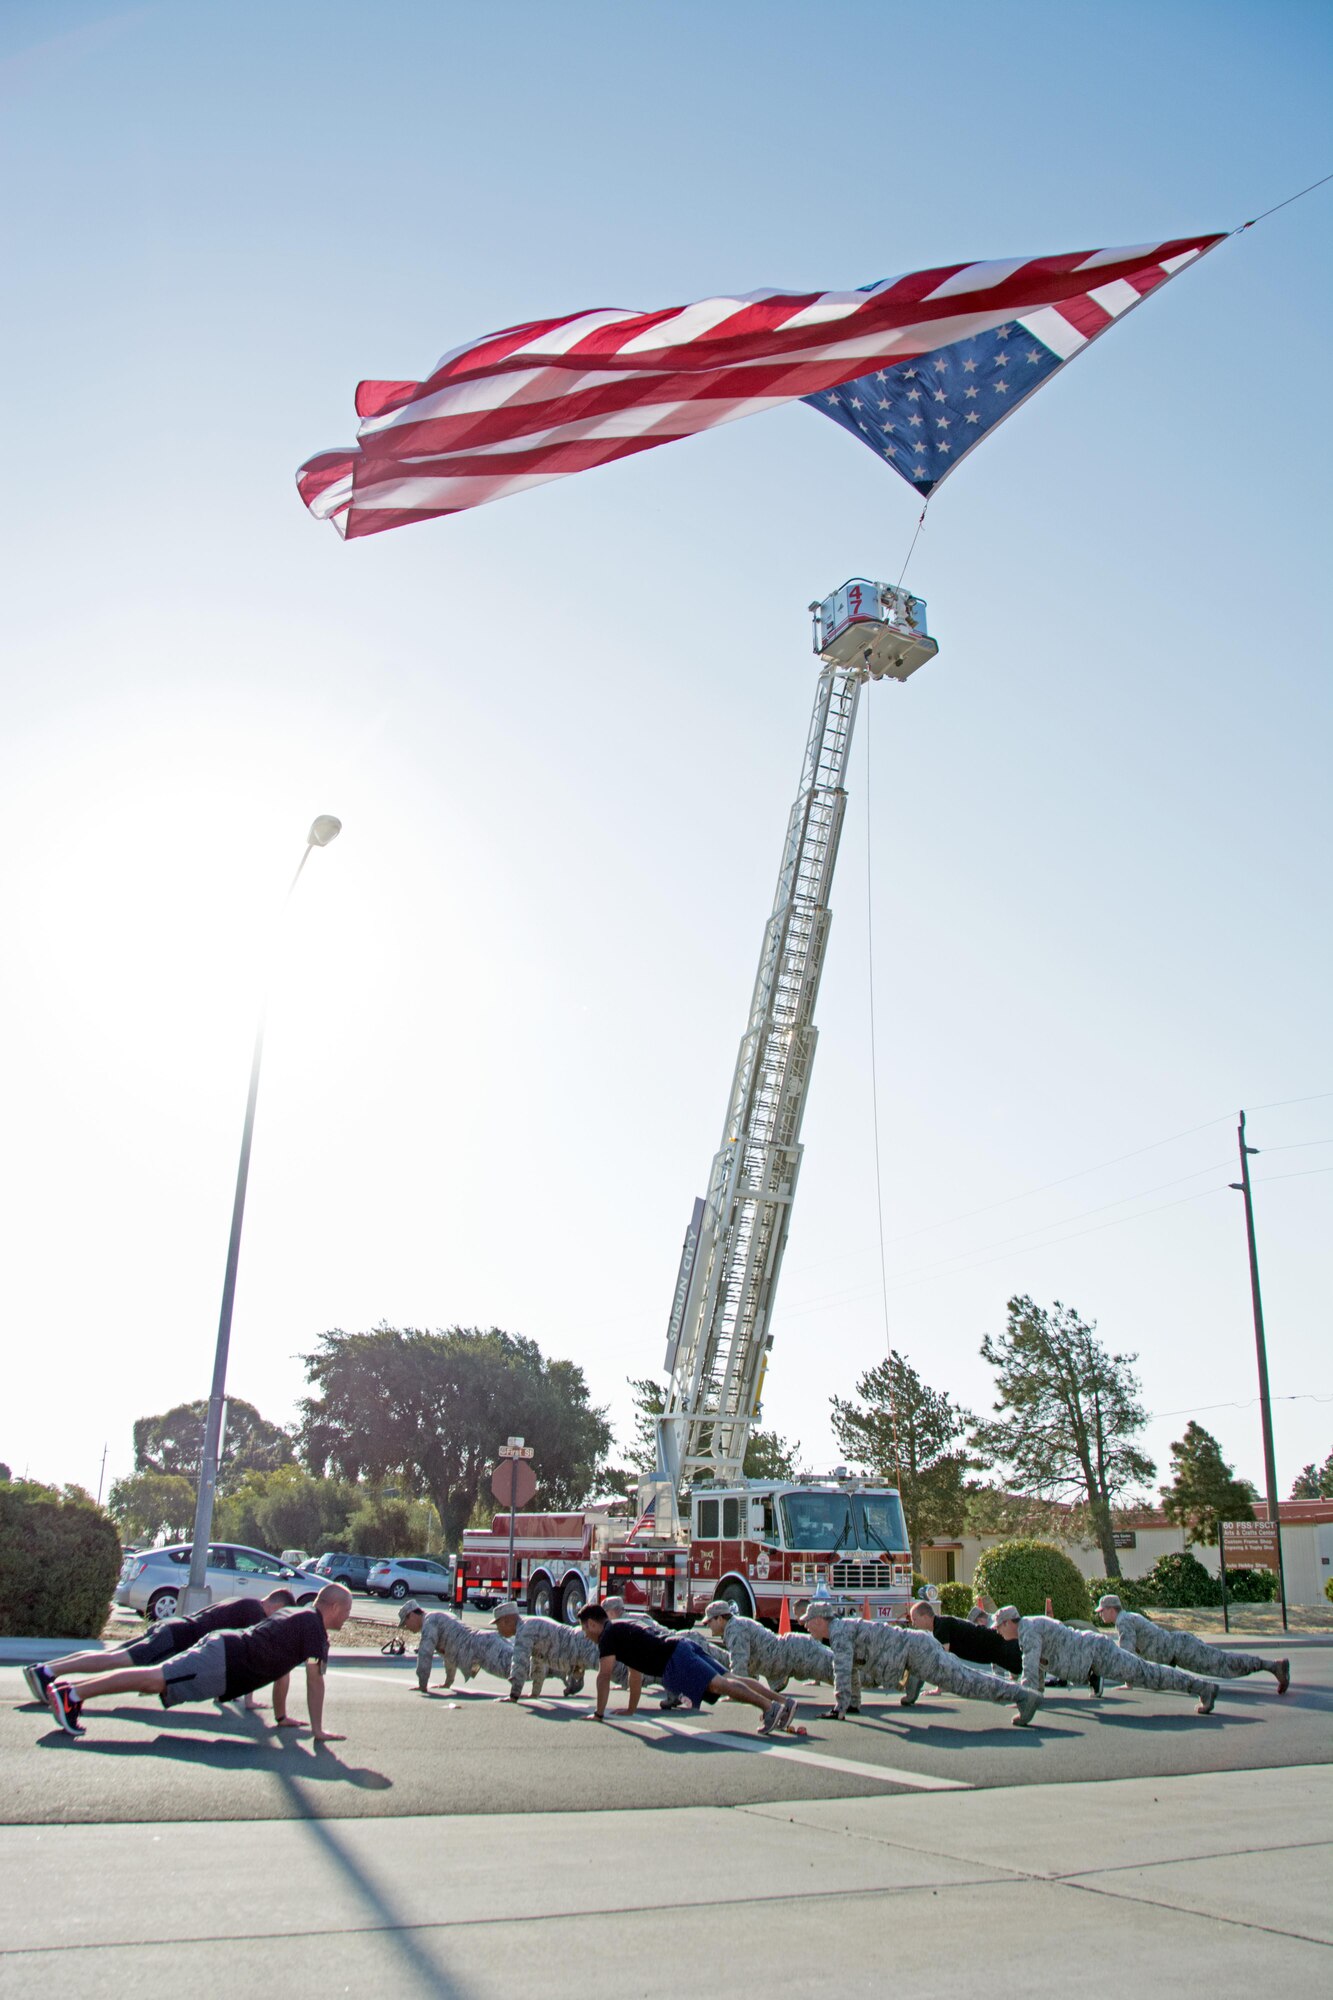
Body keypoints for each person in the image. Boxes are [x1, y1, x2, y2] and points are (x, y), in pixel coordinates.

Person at [45, 1583, 354, 1739]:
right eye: (348, 1611)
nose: (348, 1617)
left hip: (223, 1653)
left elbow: (281, 1670)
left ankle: (70, 1692)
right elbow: (316, 1681)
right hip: (223, 1661)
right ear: (337, 1608)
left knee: (154, 1679)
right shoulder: (314, 1629)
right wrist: (318, 1730)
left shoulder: (296, 1616)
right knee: (153, 1678)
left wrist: (282, 1716)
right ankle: (71, 1694)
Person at [23, 1589, 295, 1709]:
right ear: (276, 1606)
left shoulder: (243, 1601)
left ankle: (47, 1669)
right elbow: (246, 1653)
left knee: (112, 1656)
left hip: (172, 1628)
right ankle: (49, 1672)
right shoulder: (254, 1612)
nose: (274, 1621)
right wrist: (248, 1700)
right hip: (175, 1638)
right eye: (279, 1615)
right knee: (117, 1659)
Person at [804, 1600, 1039, 1726]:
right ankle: (913, 1680)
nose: (805, 1626)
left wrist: (840, 1708)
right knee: (964, 1678)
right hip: (911, 1653)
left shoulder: (839, 1633)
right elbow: (852, 1669)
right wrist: (851, 1704)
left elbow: (842, 1671)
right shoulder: (841, 1629)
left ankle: (1022, 1696)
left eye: (807, 1621)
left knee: (965, 1682)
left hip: (915, 1652)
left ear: (818, 1620)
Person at [577, 1602, 795, 1734]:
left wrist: (598, 1713)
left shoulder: (607, 1635)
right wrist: (631, 1709)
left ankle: (769, 1708)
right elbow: (635, 1672)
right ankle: (784, 1703)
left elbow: (604, 1676)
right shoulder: (622, 1626)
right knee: (729, 1677)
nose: (586, 1635)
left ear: (593, 1624)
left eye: (585, 1629)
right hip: (681, 1644)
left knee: (720, 1685)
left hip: (673, 1657)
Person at [992, 1606, 1219, 1714]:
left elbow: (1030, 1667)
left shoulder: (1028, 1630)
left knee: (1149, 1674)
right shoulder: (1028, 1629)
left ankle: (1202, 1687)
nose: (999, 1633)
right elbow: (1038, 1671)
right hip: (1093, 1656)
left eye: (998, 1628)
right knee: (1148, 1674)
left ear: (1007, 1623)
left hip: (1098, 1653)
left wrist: (1025, 1697)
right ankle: (1202, 1688)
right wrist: (1033, 1696)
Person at [1096, 1594, 1290, 1693]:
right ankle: (1273, 1667)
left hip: (1181, 1650)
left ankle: (1274, 1666)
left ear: (1112, 1610)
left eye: (1102, 1611)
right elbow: (1132, 1656)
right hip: (1179, 1649)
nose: (1100, 1614)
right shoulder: (1127, 1618)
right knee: (1222, 1663)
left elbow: (1126, 1655)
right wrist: (1129, 1682)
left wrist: (1127, 1682)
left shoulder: (1123, 1621)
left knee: (1223, 1663)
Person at [704, 1601, 835, 1696]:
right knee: (840, 1670)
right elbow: (749, 1667)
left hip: (795, 1653)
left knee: (840, 1670)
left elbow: (739, 1664)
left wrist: (737, 1694)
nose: (707, 1625)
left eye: (709, 1621)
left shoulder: (735, 1629)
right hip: (791, 1654)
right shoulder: (736, 1625)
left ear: (720, 1619)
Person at [398, 1601, 507, 1692]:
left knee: (511, 1668)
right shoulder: (435, 1617)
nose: (406, 1627)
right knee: (511, 1667)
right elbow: (449, 1653)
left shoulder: (429, 1623)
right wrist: (448, 1682)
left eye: (405, 1622)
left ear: (411, 1615)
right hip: (483, 1644)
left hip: (482, 1647)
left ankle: (516, 1693)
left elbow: (425, 1654)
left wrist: (422, 1685)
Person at [908, 1599, 1022, 1678]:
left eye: (915, 1619)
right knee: (1020, 1665)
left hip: (990, 1642)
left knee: (1027, 1662)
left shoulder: (940, 1627)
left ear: (925, 1617)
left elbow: (943, 1659)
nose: (913, 1623)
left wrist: (939, 1688)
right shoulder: (940, 1624)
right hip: (990, 1648)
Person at [507, 1613, 598, 1699]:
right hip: (575, 1645)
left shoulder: (524, 1629)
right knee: (605, 1665)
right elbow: (537, 1661)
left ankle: (574, 1677)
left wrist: (514, 1695)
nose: (498, 1629)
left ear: (506, 1621)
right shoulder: (528, 1625)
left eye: (499, 1624)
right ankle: (574, 1677)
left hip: (579, 1645)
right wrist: (535, 1693)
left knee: (607, 1666)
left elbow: (520, 1662)